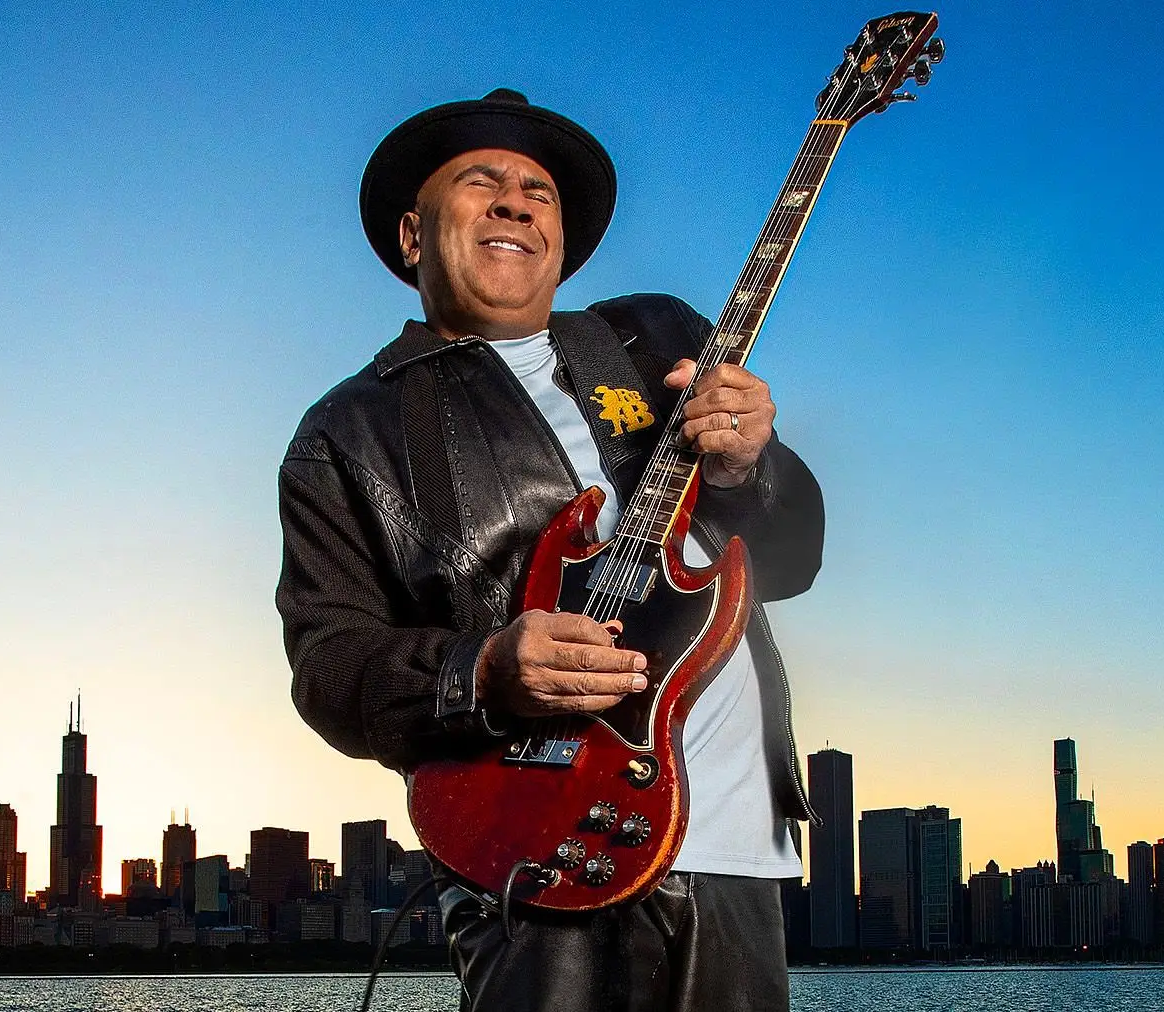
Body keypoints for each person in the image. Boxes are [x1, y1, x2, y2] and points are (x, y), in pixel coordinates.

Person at [277, 88, 825, 1011]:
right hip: (533, 847)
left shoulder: (656, 339)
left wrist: (748, 468)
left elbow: (796, 562)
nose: (515, 202)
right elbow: (328, 667)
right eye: (480, 180)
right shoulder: (348, 431)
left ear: (561, 242)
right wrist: (484, 670)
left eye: (539, 191)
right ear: (413, 236)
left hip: (736, 846)